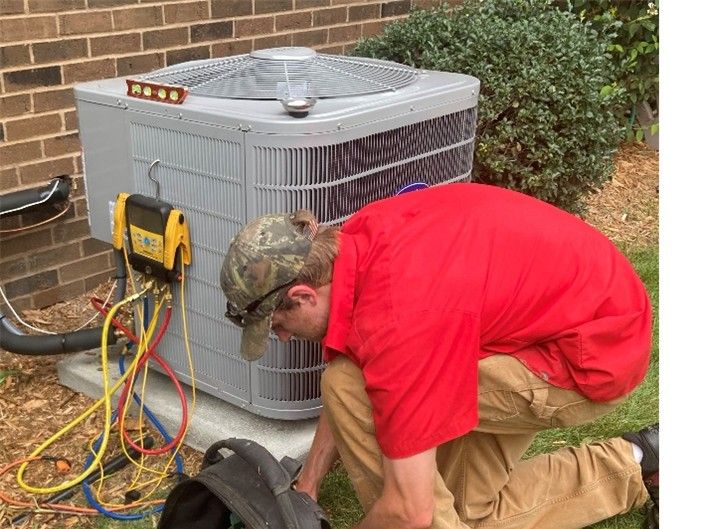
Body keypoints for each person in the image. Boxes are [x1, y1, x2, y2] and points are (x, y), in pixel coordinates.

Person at [220, 183, 658, 529]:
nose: (280, 339)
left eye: (277, 326)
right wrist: (308, 485)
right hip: (568, 312)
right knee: (465, 507)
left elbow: (410, 513)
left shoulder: (398, 324)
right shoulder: (352, 244)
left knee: (426, 509)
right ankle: (643, 459)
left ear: (302, 295)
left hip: (590, 354)